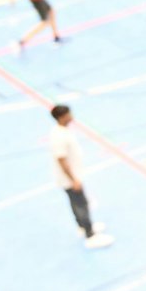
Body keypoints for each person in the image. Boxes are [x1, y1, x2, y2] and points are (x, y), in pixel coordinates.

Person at [48, 105, 114, 249]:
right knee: (81, 205)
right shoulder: (59, 136)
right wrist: (73, 179)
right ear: (61, 117)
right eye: (68, 114)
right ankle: (90, 235)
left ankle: (83, 226)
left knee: (76, 203)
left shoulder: (62, 131)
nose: (71, 116)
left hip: (72, 177)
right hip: (70, 179)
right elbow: (62, 160)